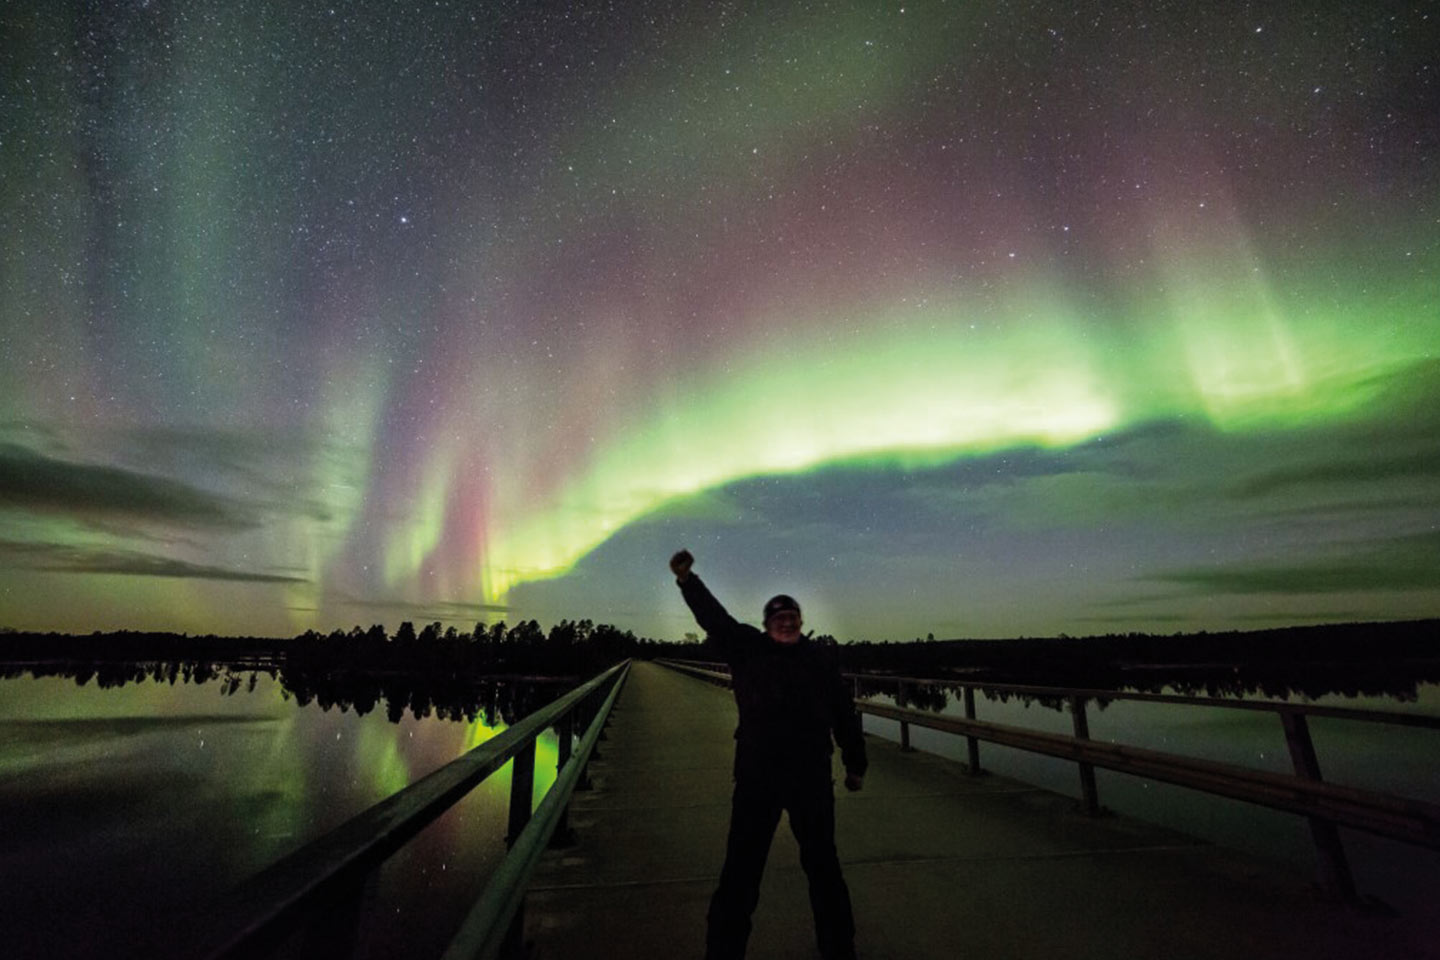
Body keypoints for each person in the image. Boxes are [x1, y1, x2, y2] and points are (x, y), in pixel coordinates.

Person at [670, 548, 866, 960]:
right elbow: (715, 619)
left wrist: (855, 763)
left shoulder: (819, 660)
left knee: (823, 868)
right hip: (758, 778)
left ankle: (838, 948)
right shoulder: (748, 649)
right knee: (741, 871)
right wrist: (689, 580)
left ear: (801, 623)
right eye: (779, 619)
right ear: (767, 625)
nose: (787, 623)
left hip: (811, 779)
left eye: (792, 618)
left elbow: (843, 713)